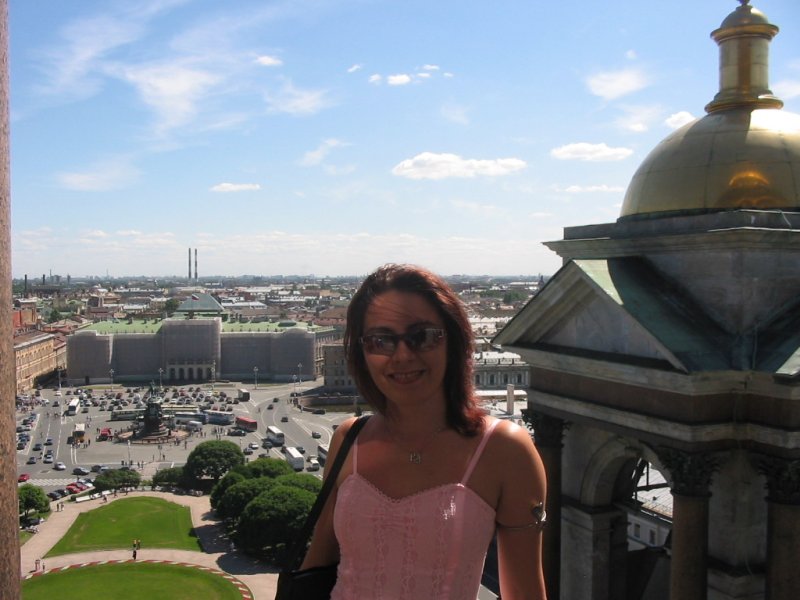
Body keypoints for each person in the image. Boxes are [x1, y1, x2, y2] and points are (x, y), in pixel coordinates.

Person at [302, 264, 548, 599]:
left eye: (423, 336)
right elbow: (315, 567)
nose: (402, 355)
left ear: (454, 341)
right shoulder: (349, 439)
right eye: (381, 340)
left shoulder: (505, 449)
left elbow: (525, 594)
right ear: (362, 352)